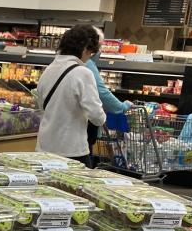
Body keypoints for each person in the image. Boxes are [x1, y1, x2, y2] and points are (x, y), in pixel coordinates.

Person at [34, 24, 106, 166]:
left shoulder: (49, 69)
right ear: (85, 48)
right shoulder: (83, 73)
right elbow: (97, 117)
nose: (89, 57)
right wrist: (103, 116)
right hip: (71, 152)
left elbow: (41, 105)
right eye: (90, 52)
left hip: (44, 148)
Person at [84, 27, 132, 166]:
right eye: (99, 46)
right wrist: (122, 107)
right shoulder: (87, 65)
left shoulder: (61, 64)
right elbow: (102, 92)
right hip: (82, 129)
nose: (100, 50)